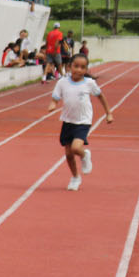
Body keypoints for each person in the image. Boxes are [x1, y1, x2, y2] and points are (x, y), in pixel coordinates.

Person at [46, 54, 113, 192]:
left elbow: (101, 97)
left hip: (83, 120)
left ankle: (84, 155)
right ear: (69, 66)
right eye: (76, 66)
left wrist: (108, 113)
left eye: (83, 67)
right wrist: (52, 105)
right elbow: (55, 98)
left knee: (76, 148)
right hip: (67, 120)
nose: (79, 70)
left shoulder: (89, 83)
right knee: (69, 154)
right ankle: (75, 177)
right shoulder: (62, 82)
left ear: (86, 69)